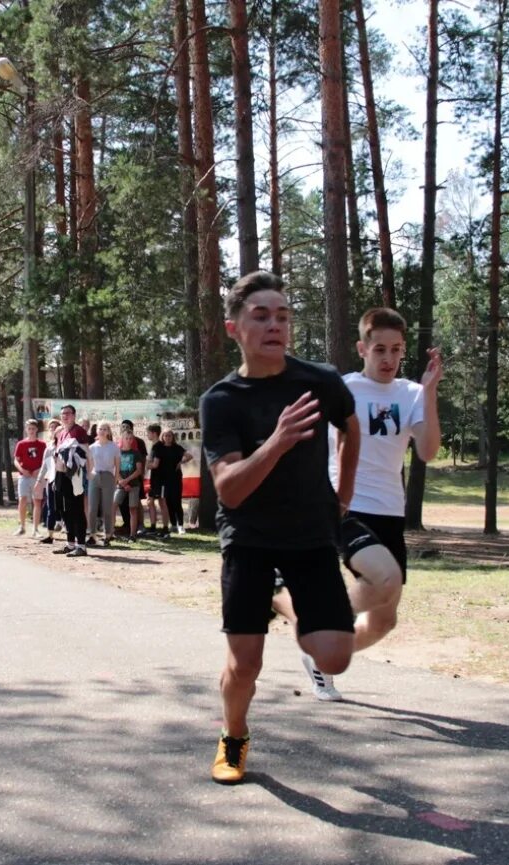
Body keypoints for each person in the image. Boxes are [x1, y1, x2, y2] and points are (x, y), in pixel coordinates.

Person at [199, 270, 359, 785]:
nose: (275, 325)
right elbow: (229, 489)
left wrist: (345, 494)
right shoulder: (221, 400)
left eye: (283, 316)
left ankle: (279, 596)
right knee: (246, 665)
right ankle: (234, 736)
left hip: (311, 532)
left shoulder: (320, 381)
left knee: (334, 657)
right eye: (261, 316)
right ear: (234, 328)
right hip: (248, 538)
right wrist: (278, 441)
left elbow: (349, 428)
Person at [281, 307, 444, 701]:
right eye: (380, 350)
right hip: (345, 504)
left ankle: (321, 657)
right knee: (384, 580)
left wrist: (431, 390)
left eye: (397, 350)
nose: (389, 359)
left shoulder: (412, 393)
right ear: (362, 348)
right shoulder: (344, 387)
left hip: (390, 511)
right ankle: (316, 621)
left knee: (384, 619)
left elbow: (427, 451)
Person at [51, 404, 90, 557]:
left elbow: (85, 452)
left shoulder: (78, 431)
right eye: (62, 414)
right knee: (64, 511)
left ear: (74, 415)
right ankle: (70, 543)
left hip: (74, 476)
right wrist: (55, 478)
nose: (64, 416)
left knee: (77, 510)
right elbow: (59, 455)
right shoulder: (62, 433)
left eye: (67, 413)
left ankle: (81, 545)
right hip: (60, 477)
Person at [152, 427, 192, 536]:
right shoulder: (160, 448)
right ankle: (173, 524)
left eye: (169, 435)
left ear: (172, 437)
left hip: (176, 479)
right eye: (165, 435)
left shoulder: (177, 447)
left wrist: (181, 462)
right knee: (168, 502)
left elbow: (189, 456)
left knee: (177, 502)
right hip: (163, 480)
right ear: (162, 437)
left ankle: (180, 526)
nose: (167, 437)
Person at [12, 420, 46, 535]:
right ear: (26, 430)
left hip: (37, 477)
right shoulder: (21, 444)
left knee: (37, 501)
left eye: (33, 428)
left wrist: (39, 470)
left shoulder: (42, 444)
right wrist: (22, 470)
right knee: (22, 500)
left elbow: (46, 460)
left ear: (37, 430)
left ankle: (35, 529)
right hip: (24, 476)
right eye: (29, 429)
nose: (31, 431)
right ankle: (22, 526)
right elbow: (16, 460)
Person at [86, 422, 118, 546]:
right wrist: (89, 475)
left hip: (108, 477)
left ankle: (108, 535)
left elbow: (117, 465)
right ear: (96, 431)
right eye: (100, 429)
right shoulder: (92, 447)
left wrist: (115, 480)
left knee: (107, 508)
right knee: (92, 508)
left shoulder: (113, 447)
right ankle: (92, 535)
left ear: (108, 432)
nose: (102, 431)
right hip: (95, 477)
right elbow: (89, 463)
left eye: (105, 429)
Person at [116, 419, 149, 536]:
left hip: (135, 479)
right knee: (120, 503)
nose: (124, 428)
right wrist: (121, 481)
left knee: (135, 504)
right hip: (121, 482)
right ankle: (126, 524)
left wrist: (141, 475)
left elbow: (142, 460)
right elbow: (115, 466)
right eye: (122, 426)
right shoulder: (118, 445)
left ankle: (140, 525)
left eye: (127, 426)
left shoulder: (139, 442)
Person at [36, 419, 61, 543]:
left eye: (57, 428)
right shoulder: (49, 448)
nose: (55, 431)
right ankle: (50, 535)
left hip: (64, 481)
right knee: (51, 507)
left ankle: (71, 536)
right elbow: (44, 466)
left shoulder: (66, 445)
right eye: (52, 428)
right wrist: (38, 481)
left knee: (64, 508)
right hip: (51, 480)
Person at [143, 423, 163, 534]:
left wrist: (147, 465)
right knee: (150, 502)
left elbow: (155, 464)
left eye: (148, 433)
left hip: (159, 480)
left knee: (159, 502)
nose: (147, 435)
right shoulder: (154, 446)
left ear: (154, 433)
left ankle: (160, 527)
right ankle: (153, 526)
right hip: (154, 479)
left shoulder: (158, 446)